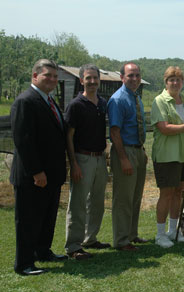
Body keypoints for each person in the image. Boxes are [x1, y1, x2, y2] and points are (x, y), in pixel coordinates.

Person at [10, 59, 68, 275]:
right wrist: (36, 172)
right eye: (47, 75)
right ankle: (24, 263)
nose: (52, 79)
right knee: (28, 220)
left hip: (51, 174)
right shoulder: (25, 101)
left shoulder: (49, 101)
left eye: (55, 76)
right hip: (33, 175)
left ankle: (42, 252)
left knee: (47, 217)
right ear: (35, 76)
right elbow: (23, 141)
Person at [150, 66, 184, 248]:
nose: (175, 83)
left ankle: (174, 230)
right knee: (166, 193)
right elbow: (164, 128)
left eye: (178, 79)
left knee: (179, 192)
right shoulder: (160, 101)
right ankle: (160, 234)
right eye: (171, 79)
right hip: (167, 155)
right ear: (165, 82)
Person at [64, 64, 110, 260]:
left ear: (100, 80)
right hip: (82, 158)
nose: (92, 81)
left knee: (98, 202)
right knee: (78, 203)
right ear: (81, 80)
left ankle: (90, 239)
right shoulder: (76, 105)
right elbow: (69, 136)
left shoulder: (102, 103)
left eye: (95, 78)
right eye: (88, 78)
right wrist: (73, 163)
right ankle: (74, 246)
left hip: (100, 158)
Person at [107, 62, 148, 251]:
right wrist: (123, 159)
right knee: (123, 199)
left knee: (135, 197)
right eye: (130, 75)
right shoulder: (118, 99)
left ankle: (132, 234)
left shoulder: (136, 97)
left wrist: (142, 151)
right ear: (122, 78)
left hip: (138, 150)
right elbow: (115, 132)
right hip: (125, 151)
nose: (134, 79)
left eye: (137, 75)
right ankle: (121, 240)